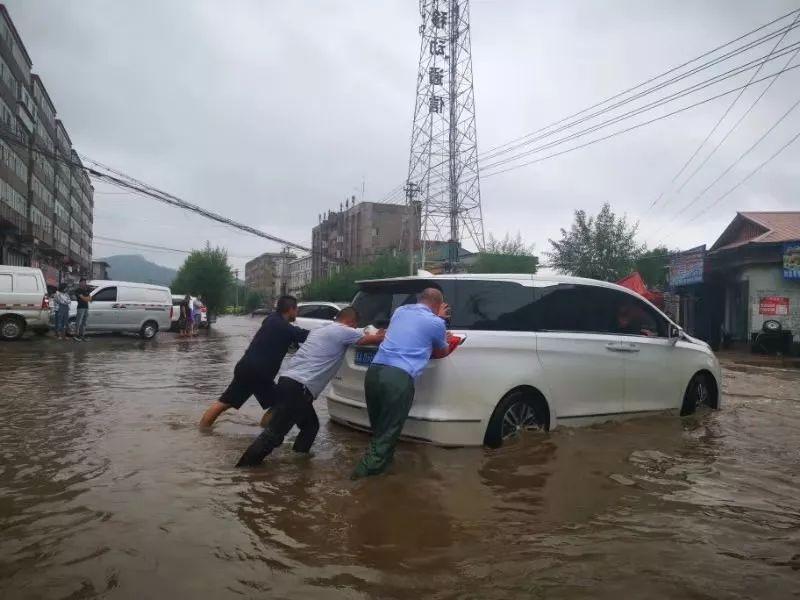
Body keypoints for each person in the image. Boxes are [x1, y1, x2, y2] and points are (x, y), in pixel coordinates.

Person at [236, 307, 385, 467]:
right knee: (274, 435)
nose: (355, 328)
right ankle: (244, 470)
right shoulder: (344, 331)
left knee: (310, 426)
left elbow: (362, 336)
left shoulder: (320, 330)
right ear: (350, 322)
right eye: (355, 325)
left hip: (287, 381)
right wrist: (382, 333)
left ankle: (298, 461)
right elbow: (377, 339)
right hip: (299, 388)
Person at [351, 288, 456, 479]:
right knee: (387, 434)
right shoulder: (436, 322)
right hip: (397, 378)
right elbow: (441, 351)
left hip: (374, 372)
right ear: (438, 305)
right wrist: (440, 319)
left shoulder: (400, 311)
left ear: (419, 299)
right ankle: (359, 483)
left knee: (380, 431)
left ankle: (383, 471)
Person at [199, 295, 309, 428]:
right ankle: (264, 434)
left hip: (246, 368)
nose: (297, 312)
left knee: (224, 403)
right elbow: (304, 335)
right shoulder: (284, 327)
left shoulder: (270, 319)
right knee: (280, 404)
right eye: (296, 309)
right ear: (290, 309)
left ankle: (202, 429)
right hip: (259, 373)